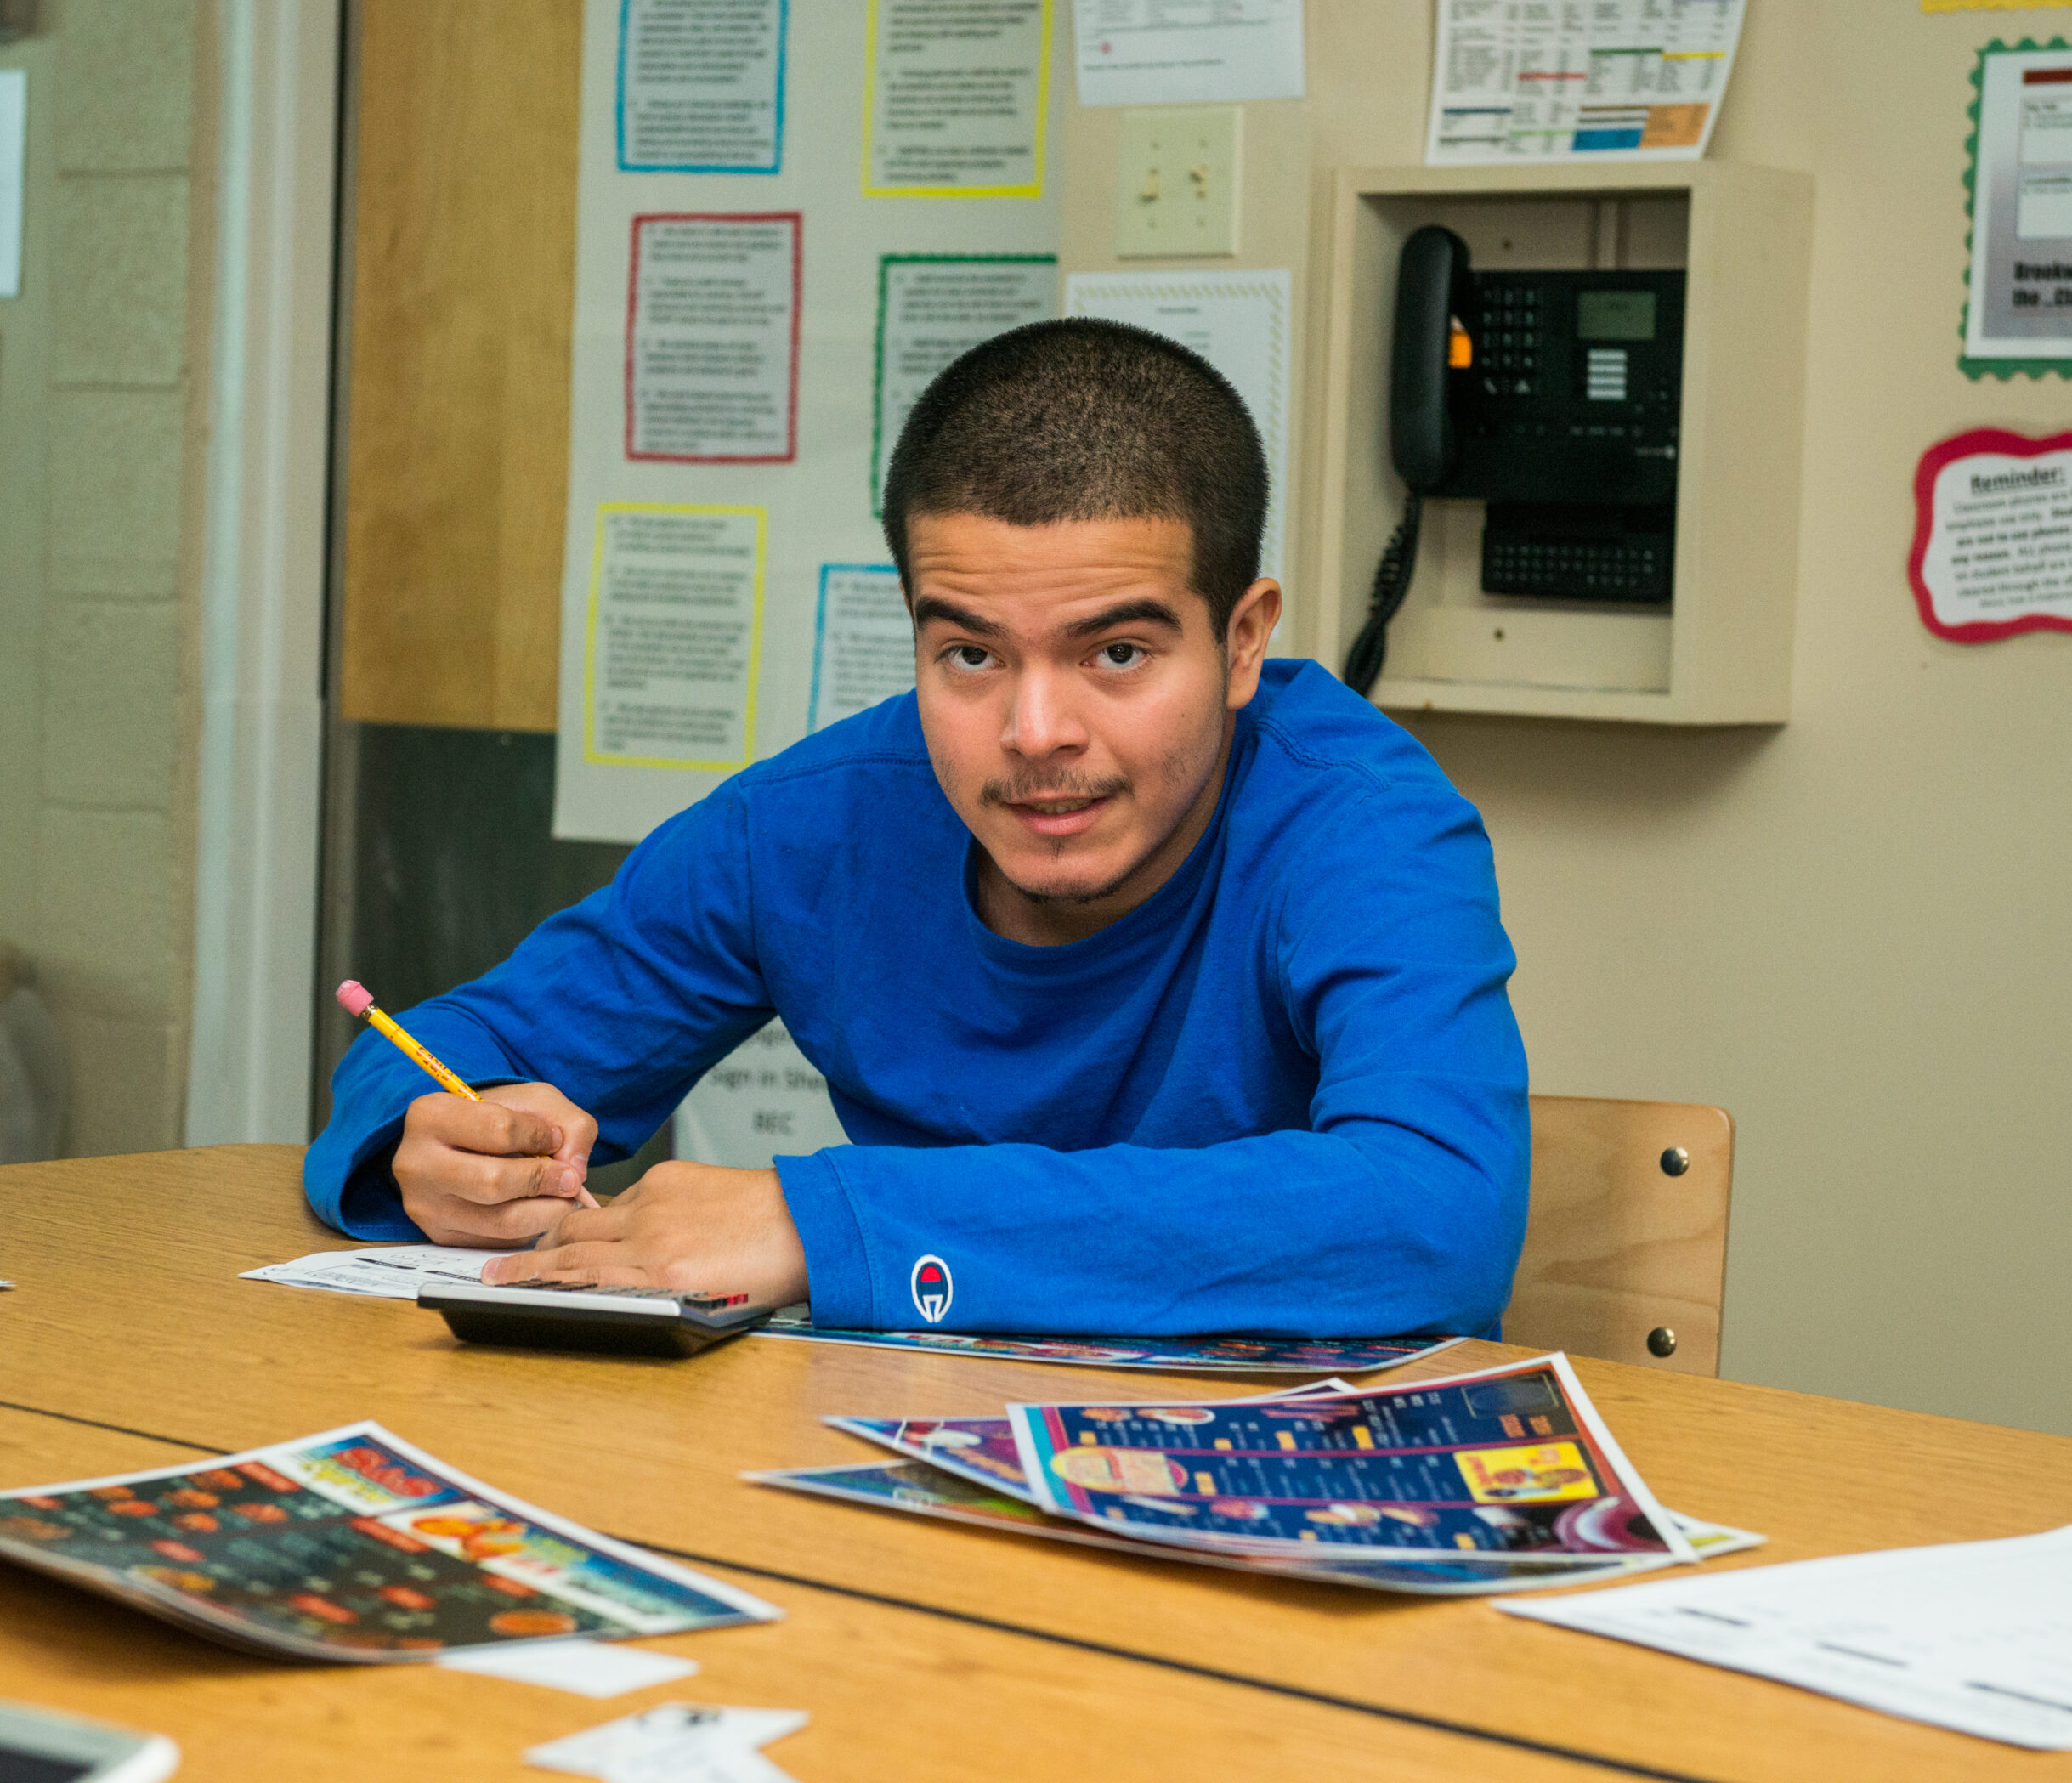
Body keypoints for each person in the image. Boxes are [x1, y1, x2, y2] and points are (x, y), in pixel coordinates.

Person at [307, 321, 1531, 1335]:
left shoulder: (1360, 824)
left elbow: (1433, 1216)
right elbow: (444, 1048)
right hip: (880, 1473)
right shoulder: (810, 825)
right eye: (968, 654)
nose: (1035, 730)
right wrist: (432, 1142)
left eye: (1116, 652)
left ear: (1242, 640)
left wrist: (820, 1223)